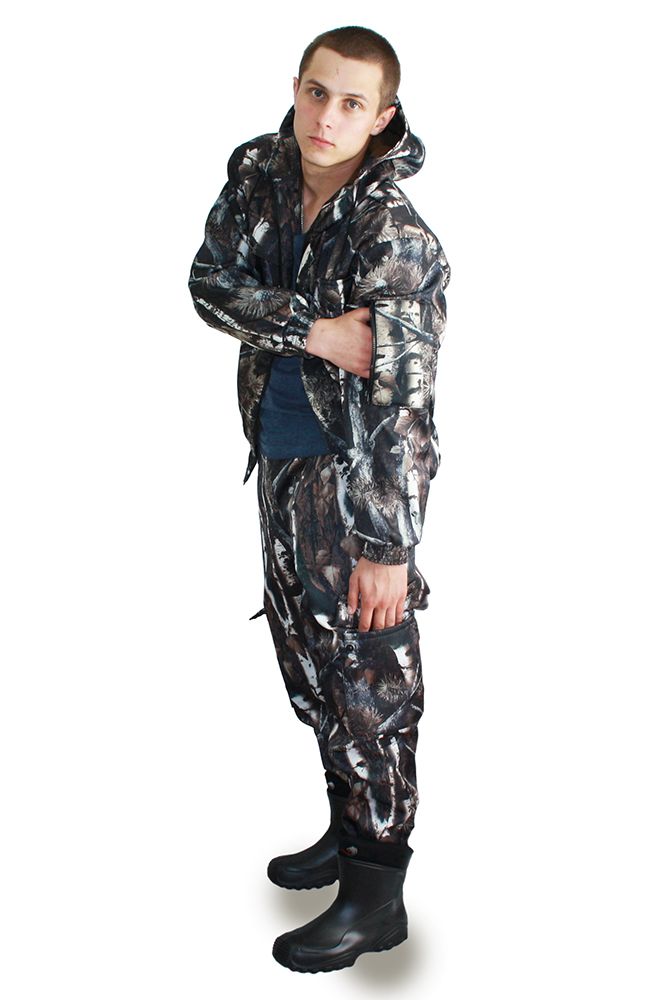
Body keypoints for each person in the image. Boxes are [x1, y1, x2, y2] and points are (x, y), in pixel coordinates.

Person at [188, 25, 450, 973]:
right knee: (309, 664)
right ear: (295, 89)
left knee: (370, 688)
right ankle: (347, 833)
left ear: (382, 118)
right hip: (281, 465)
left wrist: (387, 547)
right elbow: (208, 286)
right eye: (315, 92)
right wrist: (312, 328)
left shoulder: (396, 239)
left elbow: (405, 409)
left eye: (350, 103)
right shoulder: (260, 177)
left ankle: (377, 897)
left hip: (354, 490)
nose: (326, 117)